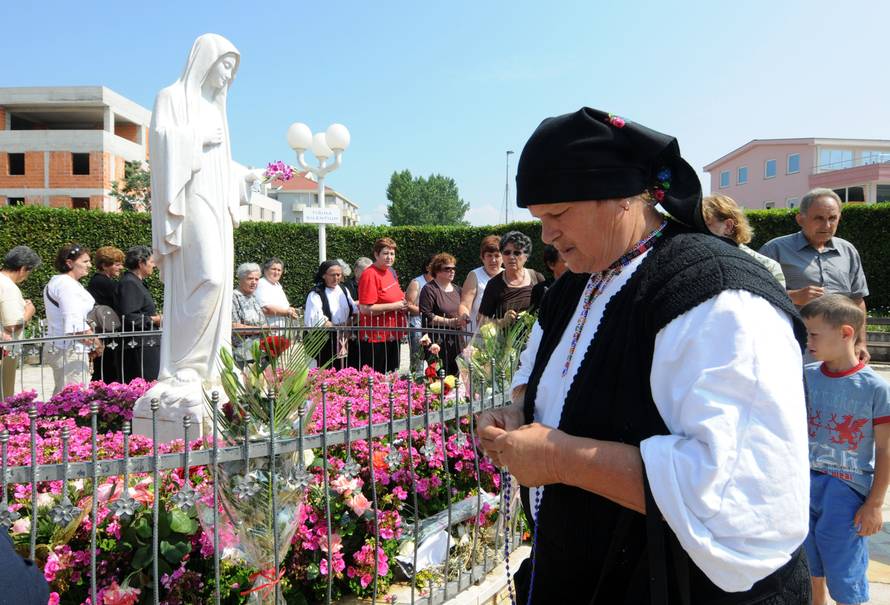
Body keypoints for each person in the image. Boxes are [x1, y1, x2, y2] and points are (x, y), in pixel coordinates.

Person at [478, 107, 810, 603]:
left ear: (620, 198)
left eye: (557, 215)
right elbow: (546, 382)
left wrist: (560, 458)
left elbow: (744, 502)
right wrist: (515, 413)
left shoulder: (718, 297)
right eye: (538, 219)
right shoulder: (575, 287)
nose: (546, 236)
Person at [148, 34, 248, 405]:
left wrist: (244, 177)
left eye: (233, 69)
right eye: (226, 65)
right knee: (208, 276)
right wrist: (196, 137)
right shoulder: (170, 97)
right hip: (189, 201)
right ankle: (186, 364)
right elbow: (160, 144)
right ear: (206, 60)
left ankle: (212, 365)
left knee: (219, 282)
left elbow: (221, 162)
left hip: (216, 202)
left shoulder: (216, 107)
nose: (228, 76)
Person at [799, 294, 889, 605]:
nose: (807, 340)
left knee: (844, 573)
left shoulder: (875, 388)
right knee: (807, 566)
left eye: (813, 334)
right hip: (803, 485)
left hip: (846, 492)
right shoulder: (805, 377)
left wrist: (875, 504)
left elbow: (886, 449)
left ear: (846, 333)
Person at [759, 188, 869, 361]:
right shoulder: (775, 250)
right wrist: (792, 296)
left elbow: (858, 300)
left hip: (842, 351)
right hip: (795, 348)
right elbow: (755, 296)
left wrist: (861, 342)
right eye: (818, 218)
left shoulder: (847, 251)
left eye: (832, 218)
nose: (827, 225)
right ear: (800, 219)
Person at [44, 243, 100, 394]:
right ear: (69, 263)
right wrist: (95, 341)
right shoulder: (65, 284)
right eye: (85, 261)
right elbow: (74, 320)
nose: (89, 265)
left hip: (69, 346)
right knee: (73, 396)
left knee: (67, 393)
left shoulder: (67, 283)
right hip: (68, 348)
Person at [700, 195, 785, 286]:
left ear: (728, 226)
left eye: (706, 225)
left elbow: (776, 300)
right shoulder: (696, 261)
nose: (698, 232)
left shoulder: (768, 267)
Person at [358, 238, 407, 374]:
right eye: (385, 253)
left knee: (392, 374)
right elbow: (365, 309)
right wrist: (395, 305)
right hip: (376, 337)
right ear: (376, 255)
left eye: (392, 254)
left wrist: (402, 304)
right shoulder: (370, 274)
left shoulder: (391, 272)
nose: (389, 257)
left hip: (393, 334)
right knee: (376, 377)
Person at [476, 231, 544, 326]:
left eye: (517, 253)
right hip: (507, 340)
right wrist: (502, 322)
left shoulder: (537, 278)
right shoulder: (494, 284)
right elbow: (481, 320)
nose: (511, 257)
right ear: (502, 256)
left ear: (526, 257)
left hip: (535, 339)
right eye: (507, 252)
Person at [115, 245, 162, 383]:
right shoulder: (129, 283)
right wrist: (155, 319)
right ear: (141, 263)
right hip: (138, 348)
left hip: (144, 345)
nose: (154, 265)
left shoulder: (135, 282)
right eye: (152, 261)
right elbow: (129, 316)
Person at [0, 246, 40, 398]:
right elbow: (12, 325)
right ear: (23, 269)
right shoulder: (8, 287)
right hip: (5, 350)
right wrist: (29, 311)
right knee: (4, 395)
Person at [305, 260, 358, 370]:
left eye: (338, 274)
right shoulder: (316, 293)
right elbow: (318, 320)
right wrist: (338, 328)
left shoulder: (344, 289)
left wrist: (347, 326)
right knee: (326, 370)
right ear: (324, 275)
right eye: (332, 275)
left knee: (344, 367)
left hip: (344, 337)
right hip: (325, 341)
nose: (336, 278)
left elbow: (355, 312)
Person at [419, 253, 467, 376]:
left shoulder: (458, 289)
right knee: (438, 377)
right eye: (447, 269)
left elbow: (465, 307)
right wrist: (450, 322)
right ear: (437, 271)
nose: (452, 271)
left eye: (453, 268)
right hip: (437, 341)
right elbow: (427, 315)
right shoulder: (429, 289)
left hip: (457, 340)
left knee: (457, 376)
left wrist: (465, 317)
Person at [87, 246, 125, 383]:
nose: (121, 267)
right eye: (117, 264)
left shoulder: (102, 281)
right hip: (105, 334)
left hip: (106, 333)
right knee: (106, 371)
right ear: (104, 265)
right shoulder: (102, 282)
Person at [459, 235, 502, 334]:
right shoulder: (474, 275)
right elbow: (465, 304)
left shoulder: (508, 275)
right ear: (482, 258)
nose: (493, 260)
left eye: (497, 255)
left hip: (502, 335)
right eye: (489, 255)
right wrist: (464, 316)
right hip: (477, 335)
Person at [231, 262, 267, 366]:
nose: (254, 282)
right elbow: (234, 327)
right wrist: (260, 329)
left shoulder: (253, 297)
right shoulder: (234, 297)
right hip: (242, 354)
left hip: (259, 352)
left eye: (256, 279)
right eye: (250, 278)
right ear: (240, 279)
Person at [406, 255, 434, 373]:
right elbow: (408, 305)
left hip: (433, 323)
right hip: (417, 323)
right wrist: (426, 312)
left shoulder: (439, 282)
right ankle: (416, 383)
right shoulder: (417, 282)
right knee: (417, 357)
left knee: (434, 356)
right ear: (428, 267)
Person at [255, 257, 299, 328]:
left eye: (279, 270)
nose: (276, 272)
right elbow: (266, 309)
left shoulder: (277, 285)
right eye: (273, 269)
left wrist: (291, 309)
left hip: (280, 331)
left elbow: (283, 306)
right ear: (265, 270)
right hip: (267, 330)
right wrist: (287, 312)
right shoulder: (261, 284)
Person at [530, 244, 567, 310]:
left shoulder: (582, 286)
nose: (571, 264)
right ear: (551, 264)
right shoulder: (540, 290)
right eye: (565, 261)